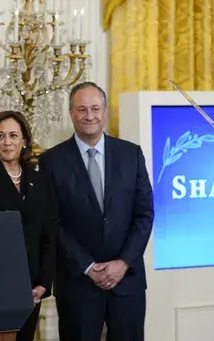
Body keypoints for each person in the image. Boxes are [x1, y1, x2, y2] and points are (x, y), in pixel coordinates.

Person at [38, 82, 154, 341]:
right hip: (78, 286)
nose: (89, 116)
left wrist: (122, 263)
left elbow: (144, 214)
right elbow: (52, 222)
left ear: (105, 112)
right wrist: (88, 267)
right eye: (81, 109)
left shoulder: (131, 154)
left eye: (95, 108)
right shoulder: (51, 161)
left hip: (127, 282)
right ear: (71, 114)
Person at [0, 111, 57, 341]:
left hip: (31, 288)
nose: (7, 142)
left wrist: (44, 283)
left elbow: (49, 234)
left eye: (13, 135)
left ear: (24, 141)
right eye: (0, 136)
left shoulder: (41, 180)